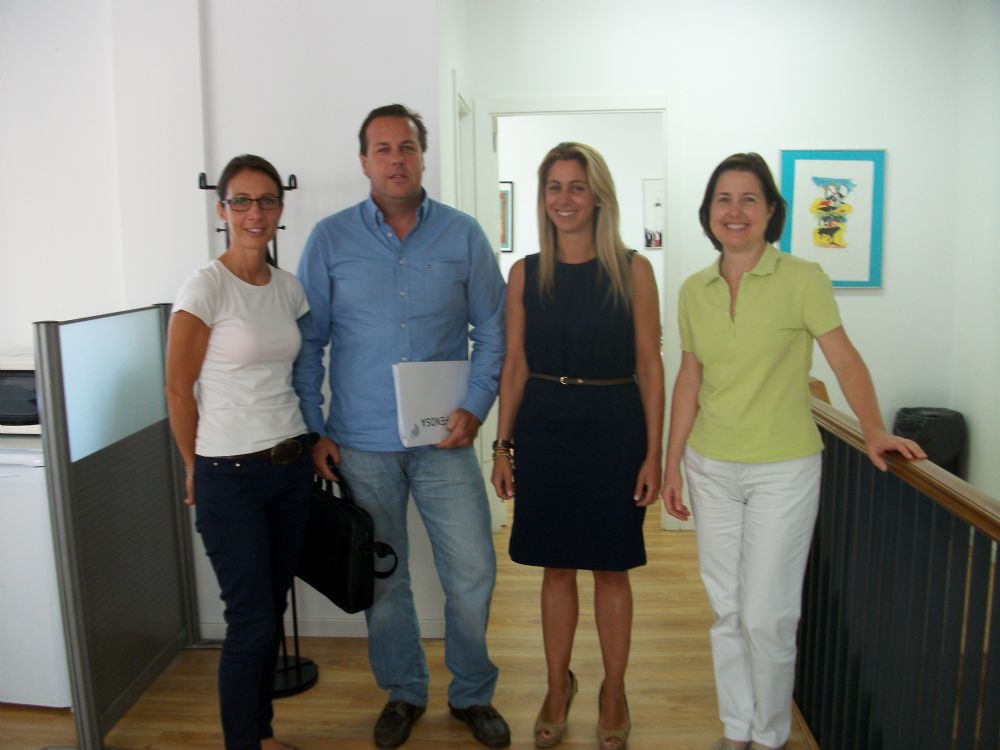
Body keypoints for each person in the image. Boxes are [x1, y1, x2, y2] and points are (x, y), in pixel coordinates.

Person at [661, 153, 926, 750]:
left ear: (770, 212)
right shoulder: (693, 289)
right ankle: (738, 727)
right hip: (710, 465)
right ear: (708, 212)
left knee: (768, 615)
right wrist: (672, 463)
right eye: (723, 198)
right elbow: (689, 379)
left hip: (783, 469)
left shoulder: (803, 278)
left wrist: (873, 429)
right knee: (727, 610)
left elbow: (843, 358)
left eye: (749, 199)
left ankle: (771, 733)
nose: (735, 211)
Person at [293, 104, 509, 749]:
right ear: (364, 161)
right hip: (361, 443)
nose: (396, 159)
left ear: (422, 155)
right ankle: (404, 691)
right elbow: (309, 343)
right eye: (383, 148)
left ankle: (472, 693)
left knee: (472, 570)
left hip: (445, 440)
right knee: (384, 577)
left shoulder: (464, 235)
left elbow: (493, 329)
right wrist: (314, 429)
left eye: (407, 147)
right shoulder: (329, 240)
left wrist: (476, 403)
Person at [491, 142, 664, 750]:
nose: (564, 199)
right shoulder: (525, 273)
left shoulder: (633, 270)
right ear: (543, 198)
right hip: (545, 426)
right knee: (556, 566)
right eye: (554, 186)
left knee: (612, 569)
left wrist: (654, 454)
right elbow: (515, 364)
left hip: (614, 425)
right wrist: (502, 447)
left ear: (598, 197)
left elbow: (650, 364)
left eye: (576, 186)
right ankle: (556, 685)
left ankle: (614, 690)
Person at [165, 155, 314, 750]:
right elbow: (178, 388)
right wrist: (193, 467)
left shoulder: (288, 287)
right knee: (250, 620)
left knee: (269, 612)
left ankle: (261, 734)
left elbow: (294, 372)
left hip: (289, 467)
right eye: (243, 201)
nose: (256, 213)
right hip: (229, 475)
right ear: (222, 210)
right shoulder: (206, 287)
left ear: (280, 208)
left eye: (267, 200)